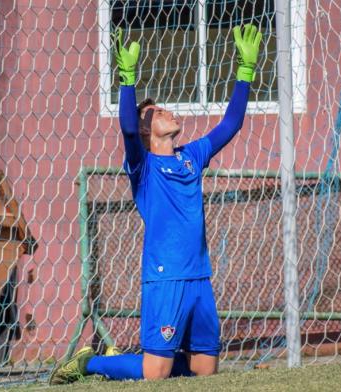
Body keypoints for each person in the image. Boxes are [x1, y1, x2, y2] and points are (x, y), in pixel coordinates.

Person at [49, 23, 262, 384]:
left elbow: (231, 123)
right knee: (154, 375)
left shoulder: (192, 156)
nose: (169, 111)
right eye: (159, 111)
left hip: (199, 278)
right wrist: (127, 79)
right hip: (165, 280)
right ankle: (91, 364)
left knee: (204, 374)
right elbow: (129, 130)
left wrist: (245, 72)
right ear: (148, 129)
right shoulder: (143, 167)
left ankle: (136, 358)